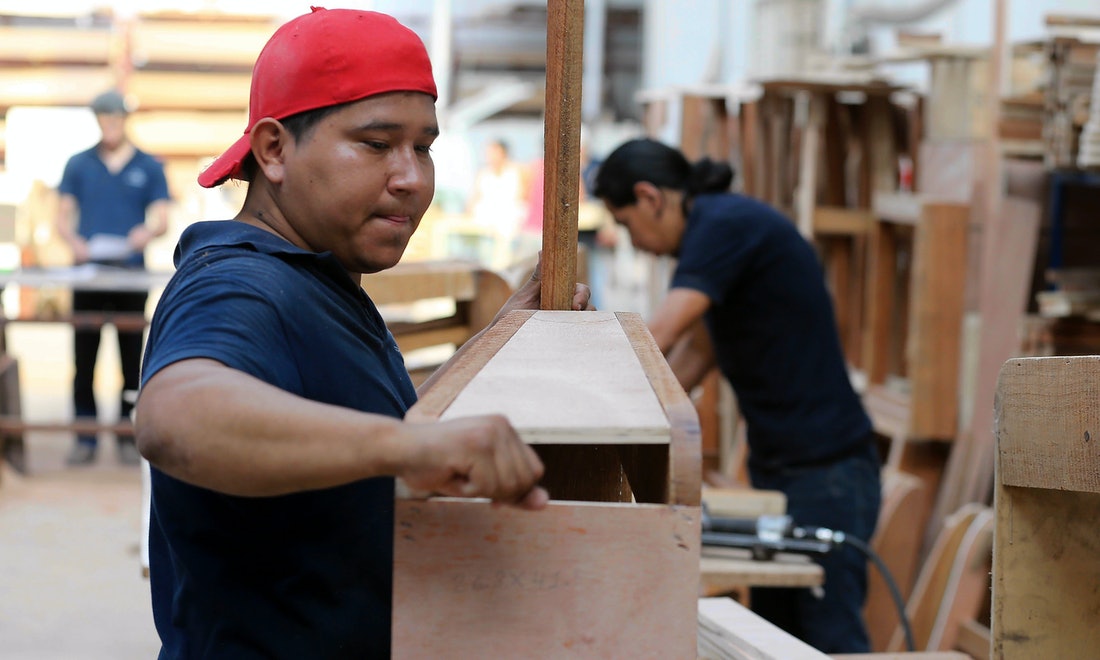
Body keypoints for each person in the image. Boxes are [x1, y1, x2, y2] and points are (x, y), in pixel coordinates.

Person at [133, 8, 589, 658]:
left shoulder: (317, 279)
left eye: (424, 147)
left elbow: (362, 419)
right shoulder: (239, 284)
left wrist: (496, 345)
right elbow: (176, 414)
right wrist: (406, 448)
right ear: (274, 150)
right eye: (376, 145)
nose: (411, 178)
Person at [593, 138, 881, 654]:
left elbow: (658, 335)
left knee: (829, 638)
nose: (634, 242)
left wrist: (587, 396)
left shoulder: (722, 225)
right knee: (775, 638)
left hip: (829, 471)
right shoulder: (720, 239)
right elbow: (689, 360)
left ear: (650, 197)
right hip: (787, 470)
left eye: (627, 222)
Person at [56, 88, 171, 466]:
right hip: (89, 273)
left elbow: (160, 217)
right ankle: (85, 438)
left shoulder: (148, 166)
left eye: (115, 118)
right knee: (84, 359)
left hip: (129, 276)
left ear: (124, 120)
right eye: (103, 119)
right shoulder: (79, 164)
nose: (109, 125)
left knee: (130, 358)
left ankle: (126, 433)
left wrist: (147, 232)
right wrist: (74, 242)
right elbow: (62, 216)